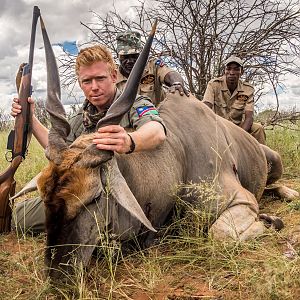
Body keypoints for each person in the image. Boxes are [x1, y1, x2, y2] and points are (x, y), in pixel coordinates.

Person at [11, 44, 166, 234]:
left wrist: (130, 141)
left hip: (131, 192)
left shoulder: (136, 103)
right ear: (79, 83)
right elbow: (61, 153)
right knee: (19, 216)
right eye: (87, 81)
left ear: (114, 76)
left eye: (100, 78)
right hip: (84, 194)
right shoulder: (79, 119)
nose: (94, 87)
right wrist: (30, 118)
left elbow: (156, 131)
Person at [202, 56, 266, 144]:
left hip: (238, 127)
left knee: (258, 129)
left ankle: (261, 156)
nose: (232, 73)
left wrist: (238, 135)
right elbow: (205, 109)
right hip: (218, 126)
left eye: (236, 69)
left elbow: (249, 118)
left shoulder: (248, 89)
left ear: (241, 72)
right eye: (228, 69)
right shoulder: (214, 85)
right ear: (224, 71)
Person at [116, 30, 189, 105]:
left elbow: (169, 73)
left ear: (141, 55)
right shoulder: (112, 76)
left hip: (157, 114)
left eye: (134, 56)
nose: (129, 61)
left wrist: (176, 83)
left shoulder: (153, 66)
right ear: (118, 56)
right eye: (125, 57)